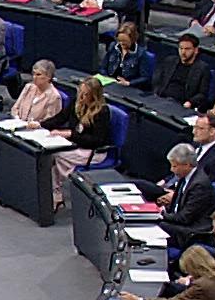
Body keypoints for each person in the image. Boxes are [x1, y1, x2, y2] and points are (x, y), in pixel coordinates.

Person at [43, 77, 112, 208]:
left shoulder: (102, 112)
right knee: (50, 154)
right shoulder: (77, 103)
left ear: (94, 96)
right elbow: (60, 118)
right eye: (80, 92)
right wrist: (40, 125)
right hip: (76, 146)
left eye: (85, 94)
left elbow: (96, 141)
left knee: (55, 156)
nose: (81, 97)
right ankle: (57, 193)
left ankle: (59, 191)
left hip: (93, 151)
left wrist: (71, 134)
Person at [103, 21, 149, 86]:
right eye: (119, 40)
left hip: (128, 87)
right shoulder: (113, 46)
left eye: (125, 41)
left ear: (133, 39)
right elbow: (103, 67)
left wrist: (129, 83)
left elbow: (145, 77)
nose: (121, 43)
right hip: (110, 82)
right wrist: (106, 78)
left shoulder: (141, 54)